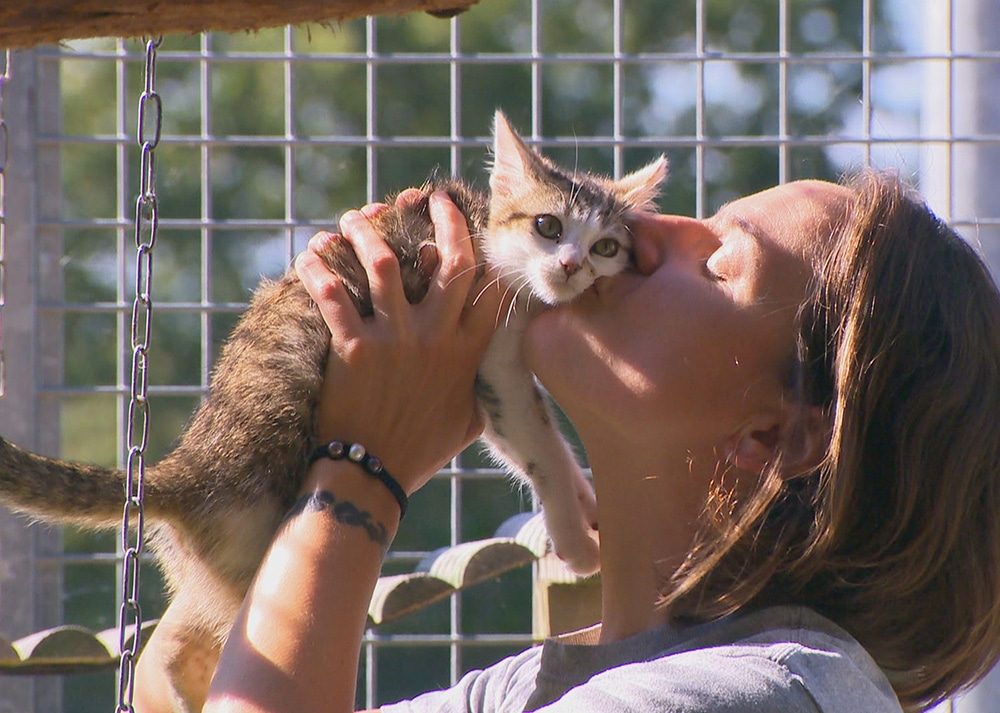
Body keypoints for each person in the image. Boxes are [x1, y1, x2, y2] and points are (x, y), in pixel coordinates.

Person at [195, 170, 1000, 713]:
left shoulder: (759, 695)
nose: (642, 232)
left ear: (778, 432)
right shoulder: (525, 689)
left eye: (720, 259)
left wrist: (359, 473)